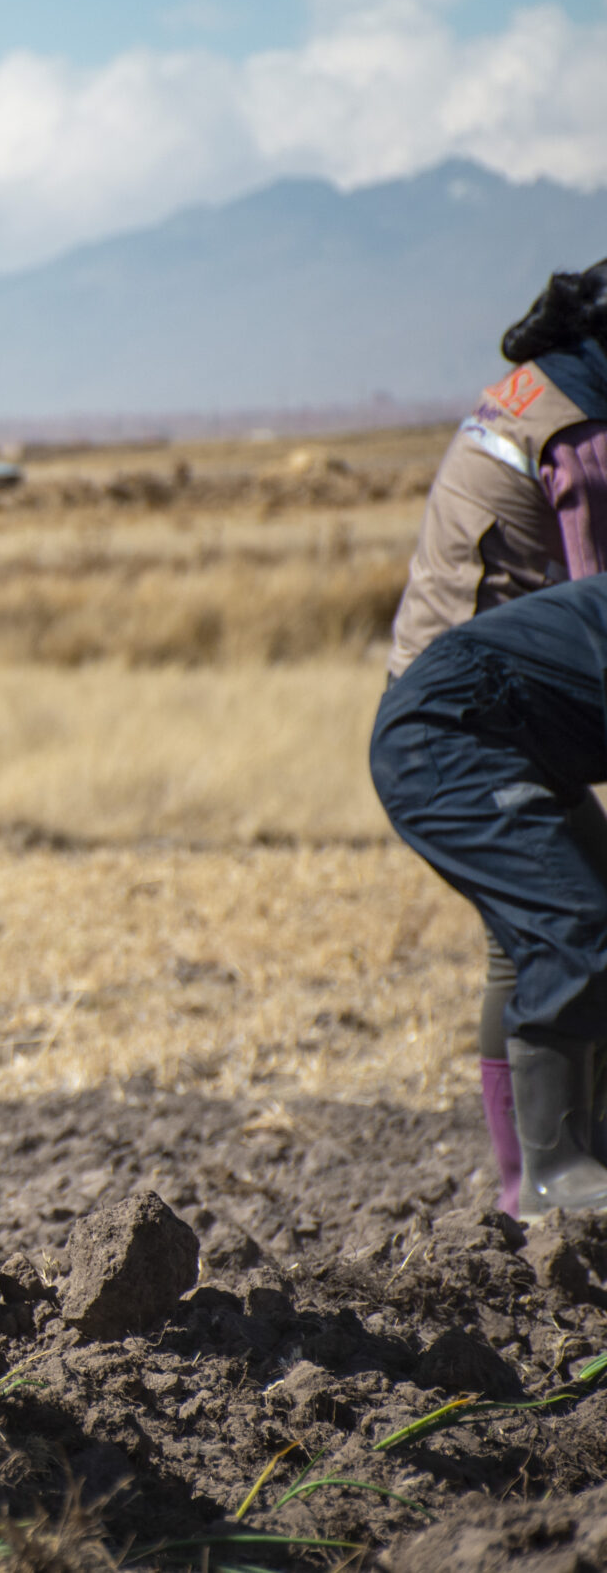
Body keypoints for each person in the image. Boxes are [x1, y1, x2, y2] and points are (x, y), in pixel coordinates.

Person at [384, 259, 607, 1215]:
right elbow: (596, 601)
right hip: (485, 705)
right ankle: (543, 1184)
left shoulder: (536, 388)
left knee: (542, 933)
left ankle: (542, 1180)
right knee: (560, 926)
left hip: (456, 683)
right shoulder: (581, 431)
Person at [375, 571, 607, 1217]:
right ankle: (552, 1175)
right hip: (447, 735)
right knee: (574, 922)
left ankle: (593, 1150)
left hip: (514, 738)